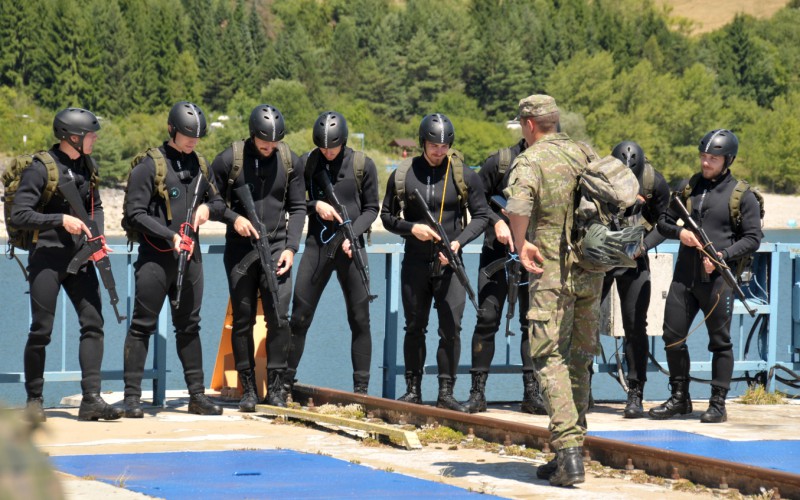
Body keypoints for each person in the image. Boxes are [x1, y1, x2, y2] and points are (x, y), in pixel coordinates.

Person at [504, 95, 604, 486]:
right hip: (590, 270)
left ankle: (568, 453)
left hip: (551, 271)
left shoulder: (530, 160)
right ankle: (572, 446)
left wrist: (520, 243)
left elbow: (518, 206)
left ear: (530, 124)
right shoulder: (585, 152)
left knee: (548, 356)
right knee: (579, 357)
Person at [10, 108, 122, 423]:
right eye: (91, 135)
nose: (95, 139)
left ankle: (91, 401)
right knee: (41, 331)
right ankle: (34, 402)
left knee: (93, 324)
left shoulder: (87, 165)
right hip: (46, 258)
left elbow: (96, 206)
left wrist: (97, 238)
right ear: (72, 137)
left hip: (81, 258)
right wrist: (60, 219)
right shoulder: (40, 169)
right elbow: (19, 214)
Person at [122, 101, 226, 418]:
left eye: (197, 136)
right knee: (142, 326)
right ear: (172, 130)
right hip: (156, 260)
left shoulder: (201, 165)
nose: (193, 141)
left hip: (190, 260)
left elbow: (219, 202)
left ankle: (197, 396)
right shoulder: (149, 166)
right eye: (187, 135)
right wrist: (170, 236)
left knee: (189, 327)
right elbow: (133, 214)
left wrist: (208, 209)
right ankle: (131, 399)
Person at [650, 129, 762, 423]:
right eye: (703, 156)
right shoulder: (689, 188)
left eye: (713, 158)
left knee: (720, 342)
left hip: (717, 280)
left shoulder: (742, 195)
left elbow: (753, 238)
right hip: (684, 277)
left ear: (728, 160)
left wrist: (722, 255)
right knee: (672, 337)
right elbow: (663, 222)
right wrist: (681, 233)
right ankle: (680, 399)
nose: (705, 162)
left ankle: (717, 404)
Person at [381, 113, 489, 412]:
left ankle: (446, 393)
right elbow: (387, 217)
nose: (439, 152)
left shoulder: (464, 175)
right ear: (422, 143)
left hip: (451, 262)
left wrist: (458, 242)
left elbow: (481, 216)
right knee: (414, 327)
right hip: (415, 262)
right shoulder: (403, 174)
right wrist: (411, 228)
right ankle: (413, 391)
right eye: (433, 146)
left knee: (451, 329)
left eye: (444, 146)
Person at [211, 104, 306, 410]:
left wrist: (291, 248)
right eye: (265, 143)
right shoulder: (229, 160)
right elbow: (211, 202)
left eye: (274, 143)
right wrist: (233, 218)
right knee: (242, 320)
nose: (269, 148)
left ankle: (276, 389)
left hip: (278, 248)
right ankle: (249, 389)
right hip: (240, 251)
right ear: (253, 135)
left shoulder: (289, 161)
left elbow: (298, 208)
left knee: (279, 318)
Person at [288, 111, 379, 394]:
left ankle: (361, 390)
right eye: (323, 147)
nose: (327, 152)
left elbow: (372, 209)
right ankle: (284, 383)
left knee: (360, 319)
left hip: (351, 248)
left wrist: (355, 235)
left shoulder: (363, 164)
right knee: (299, 316)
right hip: (317, 246)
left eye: (333, 147)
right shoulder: (307, 162)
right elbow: (294, 201)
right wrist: (315, 205)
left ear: (344, 141)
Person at [465, 137, 546, 415]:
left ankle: (531, 394)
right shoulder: (499, 161)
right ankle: (477, 393)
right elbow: (476, 201)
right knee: (487, 320)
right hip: (496, 254)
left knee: (531, 324)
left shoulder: (550, 161)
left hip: (534, 253)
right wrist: (497, 221)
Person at [600, 141, 669, 418]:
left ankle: (635, 392)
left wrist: (644, 245)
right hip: (600, 256)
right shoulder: (598, 176)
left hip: (634, 256)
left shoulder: (654, 182)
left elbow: (665, 223)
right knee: (584, 321)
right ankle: (580, 389)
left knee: (635, 326)